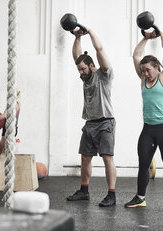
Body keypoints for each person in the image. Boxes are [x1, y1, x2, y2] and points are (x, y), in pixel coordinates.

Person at [124, 29, 163, 216]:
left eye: (148, 69)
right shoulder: (143, 79)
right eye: (143, 70)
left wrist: (160, 33)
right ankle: (140, 198)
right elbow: (136, 55)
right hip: (148, 129)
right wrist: (145, 37)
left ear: (157, 67)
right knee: (143, 163)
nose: (145, 73)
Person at [66, 26, 117, 207]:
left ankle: (111, 194)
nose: (80, 72)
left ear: (92, 66)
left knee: (107, 158)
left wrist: (90, 31)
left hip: (105, 122)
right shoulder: (85, 78)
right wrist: (78, 37)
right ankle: (84, 191)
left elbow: (100, 50)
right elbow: (77, 57)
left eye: (83, 69)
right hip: (89, 123)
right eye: (79, 70)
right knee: (85, 157)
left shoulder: (104, 75)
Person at [0, 90, 21, 155]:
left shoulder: (14, 104)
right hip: (6, 128)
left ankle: (9, 163)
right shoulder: (11, 104)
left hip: (10, 129)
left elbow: (4, 115)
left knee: (4, 152)